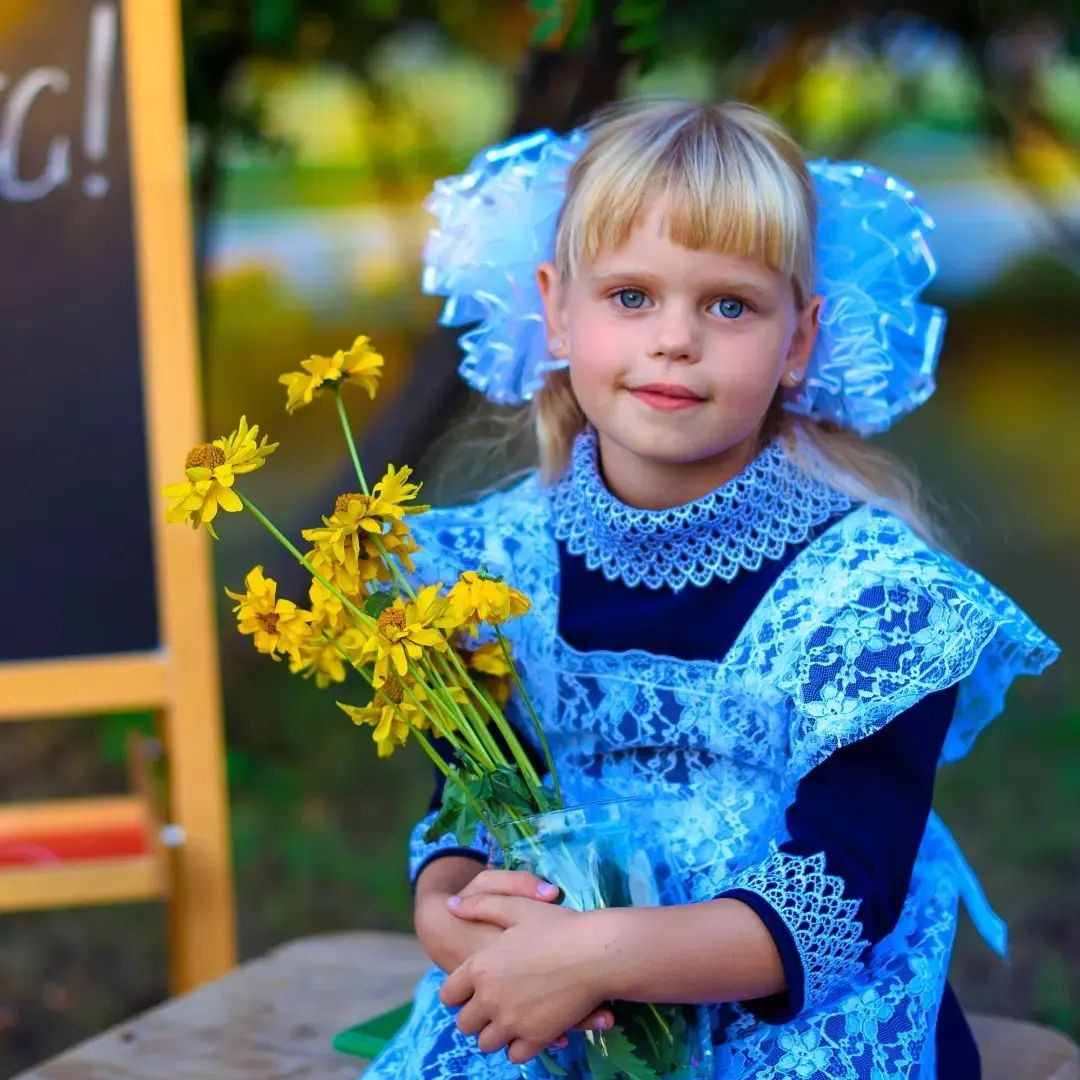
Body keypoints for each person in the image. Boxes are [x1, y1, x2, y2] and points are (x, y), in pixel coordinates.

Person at [358, 99, 1060, 1079]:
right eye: (632, 296)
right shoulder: (493, 569)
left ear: (800, 339)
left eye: (729, 304)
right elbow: (475, 799)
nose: (675, 339)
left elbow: (842, 893)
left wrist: (599, 955)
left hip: (790, 1017)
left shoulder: (868, 599)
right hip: (564, 1007)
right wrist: (453, 915)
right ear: (557, 308)